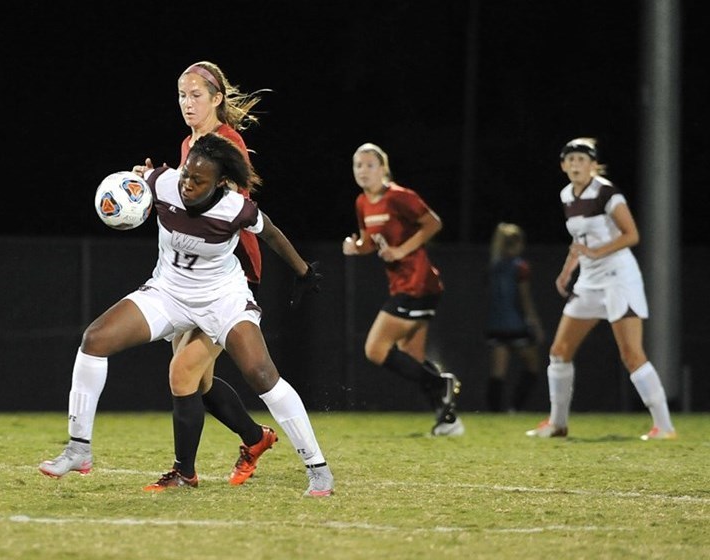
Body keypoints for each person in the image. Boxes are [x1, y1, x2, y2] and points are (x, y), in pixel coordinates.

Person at [40, 133, 334, 497]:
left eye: (198, 181)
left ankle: (317, 467)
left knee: (260, 374)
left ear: (220, 184)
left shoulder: (235, 209)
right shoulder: (164, 182)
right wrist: (138, 181)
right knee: (94, 340)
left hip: (221, 298)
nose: (188, 185)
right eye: (185, 176)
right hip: (168, 292)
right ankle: (78, 449)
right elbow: (140, 183)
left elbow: (272, 234)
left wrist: (303, 272)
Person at [133, 61, 279, 486]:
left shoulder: (227, 142)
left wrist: (168, 186)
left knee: (183, 371)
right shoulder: (188, 143)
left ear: (217, 99)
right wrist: (153, 184)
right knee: (199, 378)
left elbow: (223, 207)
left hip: (227, 277)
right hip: (191, 280)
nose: (187, 103)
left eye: (196, 95)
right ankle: (255, 438)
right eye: (182, 95)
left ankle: (185, 473)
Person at [526, 138, 677, 440]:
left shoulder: (606, 192)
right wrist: (567, 270)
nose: (576, 164)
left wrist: (596, 253)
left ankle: (664, 426)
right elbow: (580, 240)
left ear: (593, 165)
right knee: (559, 351)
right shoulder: (567, 195)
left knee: (631, 354)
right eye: (570, 160)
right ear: (563, 166)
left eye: (582, 159)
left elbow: (631, 234)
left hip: (618, 277)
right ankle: (558, 424)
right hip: (589, 281)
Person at [341, 143, 463, 436]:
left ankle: (440, 383)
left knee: (375, 348)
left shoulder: (399, 196)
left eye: (370, 165)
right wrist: (355, 247)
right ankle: (449, 422)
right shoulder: (362, 202)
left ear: (383, 169)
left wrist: (401, 250)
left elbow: (433, 223)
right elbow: (369, 241)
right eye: (358, 165)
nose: (363, 170)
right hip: (406, 285)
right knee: (412, 357)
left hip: (418, 283)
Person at [484, 222, 544, 412]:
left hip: (495, 324)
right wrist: (534, 324)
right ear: (518, 244)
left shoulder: (494, 266)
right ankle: (514, 407)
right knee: (533, 367)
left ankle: (494, 412)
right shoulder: (520, 267)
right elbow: (524, 299)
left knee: (498, 373)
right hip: (515, 324)